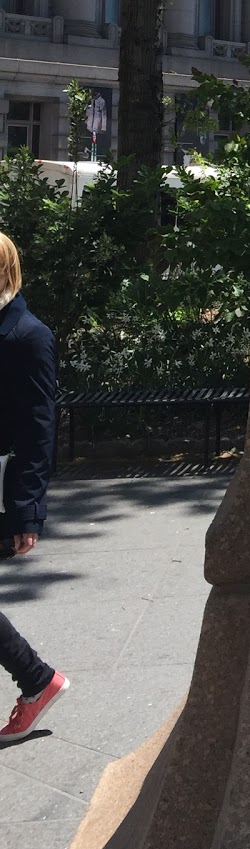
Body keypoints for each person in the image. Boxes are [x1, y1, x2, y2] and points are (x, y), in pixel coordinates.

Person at [0, 232, 68, 741]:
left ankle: (38, 680)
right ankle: (37, 680)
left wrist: (26, 512)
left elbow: (37, 430)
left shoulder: (27, 335)